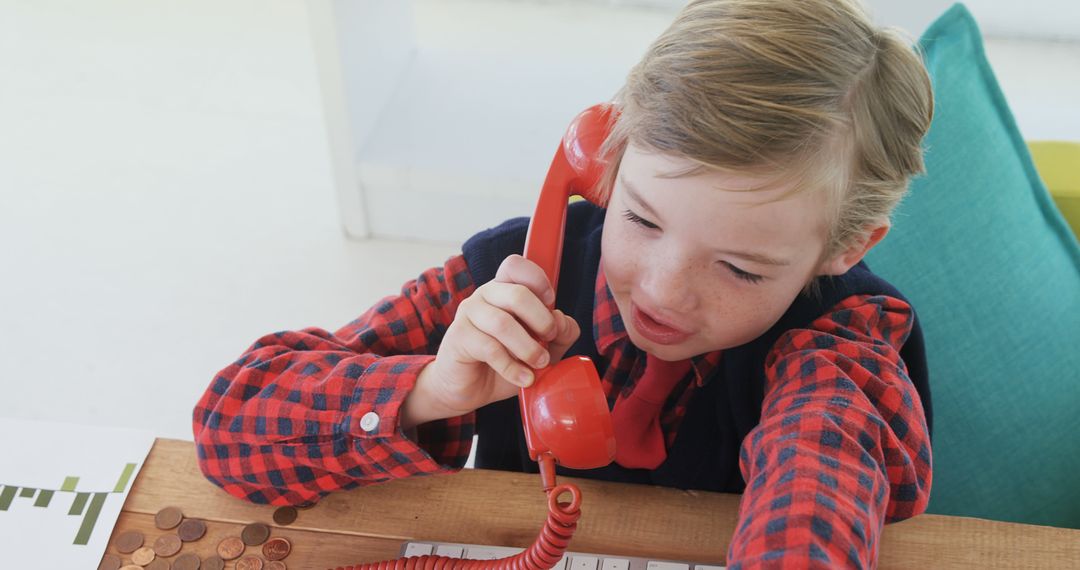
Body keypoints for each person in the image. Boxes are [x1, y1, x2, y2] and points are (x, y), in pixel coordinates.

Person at [193, 0, 934, 566]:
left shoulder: (841, 343)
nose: (664, 291)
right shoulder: (514, 274)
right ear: (602, 164)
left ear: (843, 248)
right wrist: (429, 392)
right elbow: (229, 426)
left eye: (740, 268)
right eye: (642, 221)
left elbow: (818, 484)